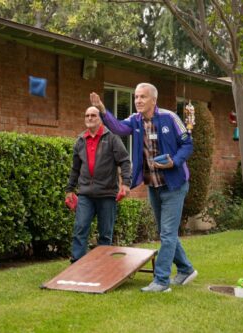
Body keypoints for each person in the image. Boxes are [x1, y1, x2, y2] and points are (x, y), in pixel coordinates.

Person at [90, 83, 197, 293]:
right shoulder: (135, 120)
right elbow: (119, 128)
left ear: (153, 100)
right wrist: (103, 110)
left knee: (167, 234)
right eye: (136, 97)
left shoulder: (169, 118)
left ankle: (161, 281)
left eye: (143, 97)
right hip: (153, 185)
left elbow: (188, 143)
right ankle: (185, 269)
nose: (138, 100)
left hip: (174, 184)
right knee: (166, 233)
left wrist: (174, 161)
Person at [66, 106, 132, 263]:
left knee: (105, 233)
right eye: (87, 115)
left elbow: (124, 161)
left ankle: (103, 265)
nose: (90, 118)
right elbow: (75, 168)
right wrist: (70, 189)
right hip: (85, 194)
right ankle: (77, 263)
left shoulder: (112, 138)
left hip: (107, 194)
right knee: (80, 228)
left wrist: (126, 184)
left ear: (100, 118)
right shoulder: (80, 140)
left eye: (93, 115)